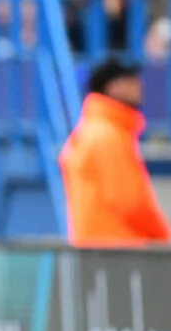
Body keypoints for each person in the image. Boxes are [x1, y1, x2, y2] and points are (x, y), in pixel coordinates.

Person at [59, 59, 170, 247]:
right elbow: (131, 202)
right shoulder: (108, 136)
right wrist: (164, 239)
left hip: (99, 253)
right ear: (113, 87)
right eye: (131, 80)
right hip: (120, 253)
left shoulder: (91, 131)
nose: (139, 86)